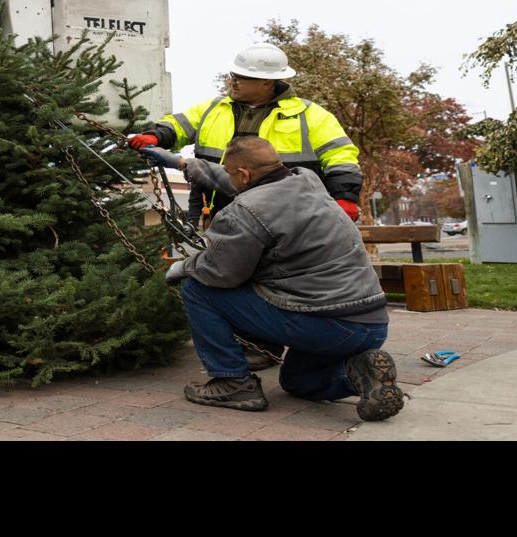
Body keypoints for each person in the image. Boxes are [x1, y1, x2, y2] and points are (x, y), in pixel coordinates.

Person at [151, 137, 402, 422]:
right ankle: (359, 372)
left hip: (323, 324)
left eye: (234, 173)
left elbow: (221, 273)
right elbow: (240, 181)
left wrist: (185, 266)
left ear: (244, 174)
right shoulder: (306, 180)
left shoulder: (242, 213)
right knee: (296, 381)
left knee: (198, 288)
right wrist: (181, 163)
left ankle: (232, 383)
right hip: (371, 323)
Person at [128, 43, 363, 228]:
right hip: (224, 213)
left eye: (240, 77)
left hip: (289, 218)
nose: (233, 81)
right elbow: (178, 125)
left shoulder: (310, 115)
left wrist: (346, 197)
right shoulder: (213, 108)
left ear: (266, 83)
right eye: (233, 75)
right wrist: (156, 136)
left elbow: (341, 156)